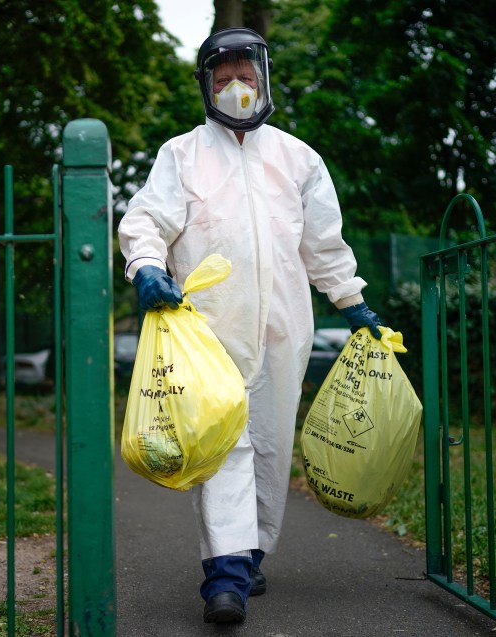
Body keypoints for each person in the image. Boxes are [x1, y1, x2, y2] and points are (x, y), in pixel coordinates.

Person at [117, 27, 384, 624]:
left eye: (246, 76)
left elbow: (323, 245)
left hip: (284, 328)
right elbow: (146, 221)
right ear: (206, 87)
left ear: (263, 79)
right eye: (223, 79)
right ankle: (226, 574)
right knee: (225, 444)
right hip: (207, 331)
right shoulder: (181, 155)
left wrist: (353, 302)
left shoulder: (298, 158)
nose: (236, 88)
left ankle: (251, 551)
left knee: (268, 442)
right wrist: (146, 268)